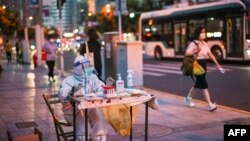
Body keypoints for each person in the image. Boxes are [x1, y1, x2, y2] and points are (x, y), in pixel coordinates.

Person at [58, 55, 106, 141]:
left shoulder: (92, 78)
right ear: (79, 68)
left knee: (98, 125)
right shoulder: (68, 81)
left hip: (89, 109)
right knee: (83, 130)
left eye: (88, 65)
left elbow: (101, 87)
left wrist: (104, 89)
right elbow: (62, 95)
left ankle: (99, 138)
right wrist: (71, 92)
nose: (88, 68)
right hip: (73, 112)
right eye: (85, 66)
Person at [184, 26, 224, 112]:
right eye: (202, 32)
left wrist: (218, 64)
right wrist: (195, 51)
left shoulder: (205, 44)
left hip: (203, 65)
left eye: (204, 32)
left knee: (198, 84)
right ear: (198, 34)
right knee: (204, 85)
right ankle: (210, 104)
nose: (204, 34)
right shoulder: (193, 43)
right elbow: (187, 53)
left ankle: (188, 99)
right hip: (196, 66)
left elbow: (210, 54)